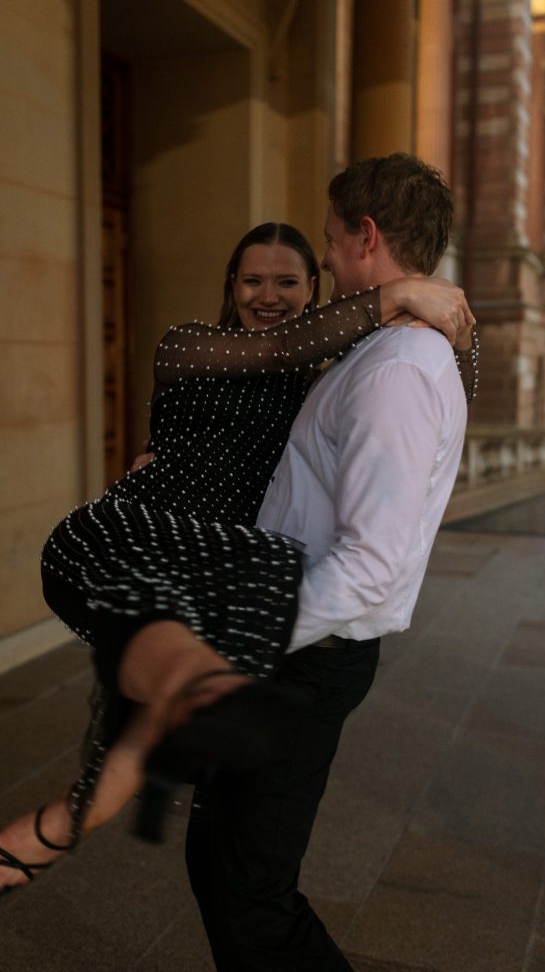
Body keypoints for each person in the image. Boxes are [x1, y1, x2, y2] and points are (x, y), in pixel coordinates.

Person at [0, 219, 475, 894]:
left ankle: (49, 833)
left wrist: (453, 321)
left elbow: (421, 411)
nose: (268, 295)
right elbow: (277, 347)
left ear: (314, 288)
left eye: (288, 282)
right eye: (253, 280)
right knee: (147, 658)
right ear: (231, 285)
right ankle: (73, 813)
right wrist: (402, 290)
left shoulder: (325, 381)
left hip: (221, 563)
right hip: (139, 531)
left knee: (151, 701)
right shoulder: (189, 344)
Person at [184, 154, 476, 971]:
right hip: (289, 647)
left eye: (327, 240)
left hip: (303, 657)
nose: (325, 258)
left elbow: (370, 566)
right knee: (220, 862)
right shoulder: (379, 348)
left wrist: (234, 641)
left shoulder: (397, 374)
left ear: (365, 236)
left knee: (252, 898)